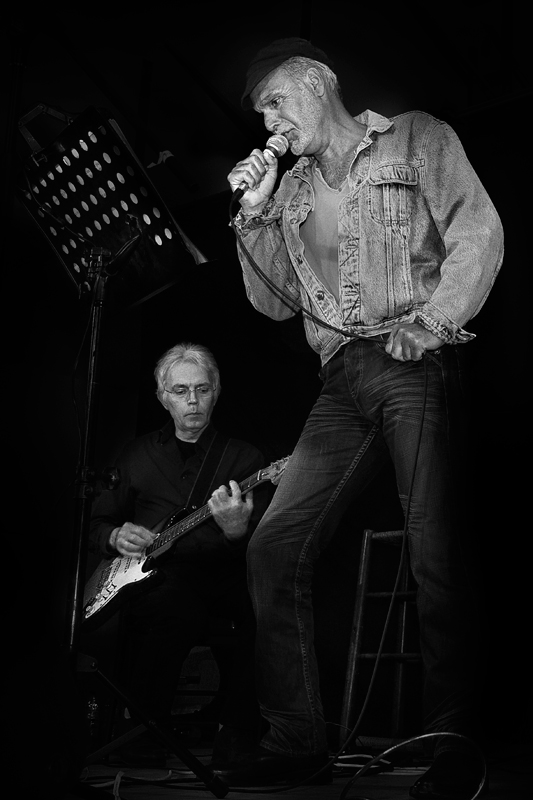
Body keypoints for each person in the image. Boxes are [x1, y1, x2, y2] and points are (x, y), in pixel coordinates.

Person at [223, 37, 503, 797]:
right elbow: (270, 302)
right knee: (273, 545)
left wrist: (435, 322)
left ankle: (453, 741)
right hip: (339, 378)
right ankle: (295, 740)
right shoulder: (287, 193)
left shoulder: (415, 137)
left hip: (411, 358)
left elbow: (478, 229)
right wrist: (253, 212)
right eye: (261, 112)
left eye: (276, 100)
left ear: (319, 82)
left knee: (434, 549)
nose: (269, 121)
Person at [87, 342, 273, 768]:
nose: (193, 400)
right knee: (174, 608)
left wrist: (236, 530)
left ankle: (236, 732)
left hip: (224, 571)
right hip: (154, 576)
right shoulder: (136, 455)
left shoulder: (245, 458)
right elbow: (96, 523)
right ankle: (143, 728)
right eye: (181, 390)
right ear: (162, 397)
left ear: (216, 392)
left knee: (265, 606)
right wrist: (115, 535)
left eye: (202, 389)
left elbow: (263, 541)